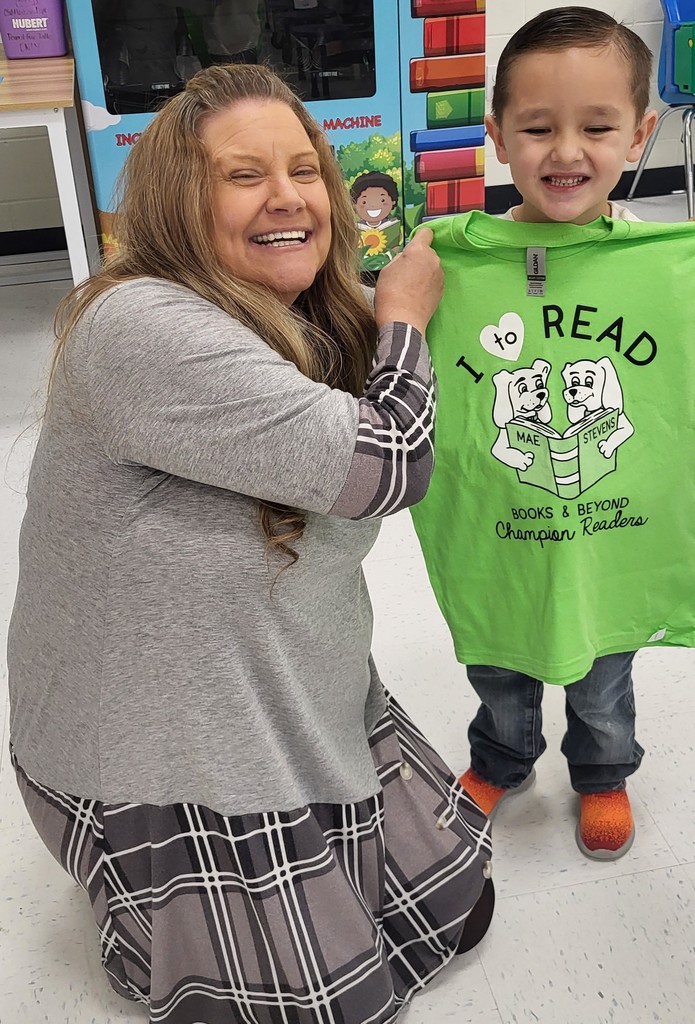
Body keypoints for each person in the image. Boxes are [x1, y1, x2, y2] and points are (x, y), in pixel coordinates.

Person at [6, 64, 493, 1024]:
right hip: (166, 754)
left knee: (456, 916)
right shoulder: (139, 325)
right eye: (243, 176)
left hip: (290, 693)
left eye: (304, 169)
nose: (290, 198)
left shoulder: (296, 311)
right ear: (179, 204)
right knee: (331, 1008)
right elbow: (384, 465)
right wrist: (404, 319)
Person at [418, 8, 659, 860]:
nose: (565, 152)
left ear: (639, 135)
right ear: (495, 135)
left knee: (602, 666)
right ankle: (503, 757)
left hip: (607, 529)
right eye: (536, 127)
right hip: (500, 518)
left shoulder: (661, 265)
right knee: (500, 655)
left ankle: (602, 773)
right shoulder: (451, 261)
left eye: (596, 127)